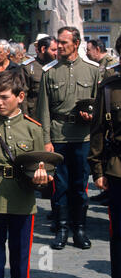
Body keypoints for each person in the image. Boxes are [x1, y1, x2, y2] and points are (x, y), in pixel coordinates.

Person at [0, 70, 52, 278]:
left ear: (20, 97)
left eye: (5, 97)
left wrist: (43, 179)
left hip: (22, 201)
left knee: (20, 260)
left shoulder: (33, 129)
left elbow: (41, 170)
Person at [36, 26, 100, 250]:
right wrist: (46, 140)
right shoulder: (49, 71)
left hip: (82, 138)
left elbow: (99, 107)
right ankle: (62, 228)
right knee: (59, 185)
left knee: (80, 185)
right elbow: (42, 111)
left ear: (76, 43)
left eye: (64, 42)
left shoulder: (93, 71)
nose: (59, 46)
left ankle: (79, 229)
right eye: (58, 42)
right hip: (58, 136)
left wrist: (91, 116)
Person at [88, 35, 121, 278]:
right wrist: (97, 171)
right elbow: (98, 130)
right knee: (119, 232)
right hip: (118, 169)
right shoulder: (109, 89)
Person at [21, 36, 58, 119]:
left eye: (57, 50)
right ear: (43, 49)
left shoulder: (58, 67)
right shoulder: (28, 67)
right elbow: (22, 95)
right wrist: (25, 116)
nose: (56, 53)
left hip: (54, 117)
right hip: (35, 116)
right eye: (53, 50)